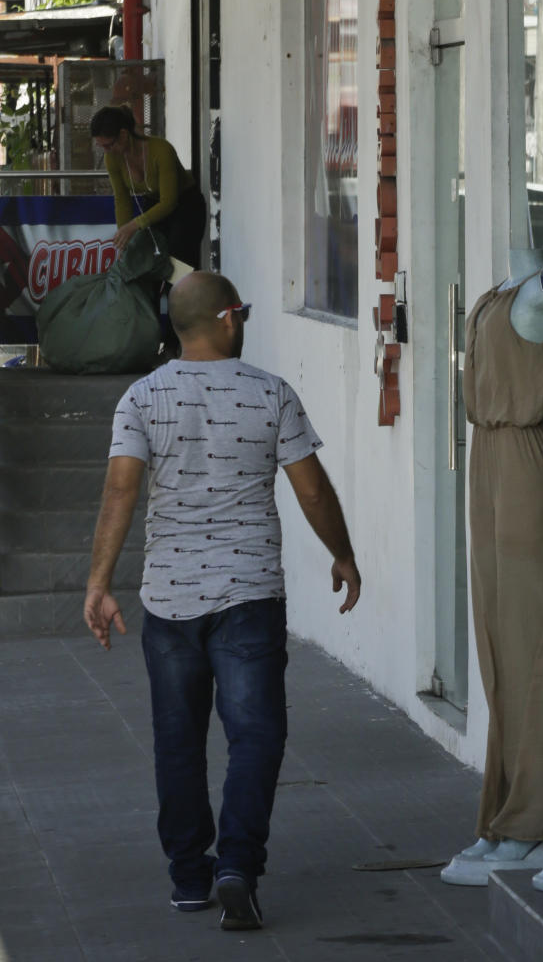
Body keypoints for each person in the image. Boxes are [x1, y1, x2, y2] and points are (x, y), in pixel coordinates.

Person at [83, 270, 361, 930]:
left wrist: (98, 582)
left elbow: (120, 491)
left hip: (169, 600)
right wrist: (343, 554)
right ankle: (237, 862)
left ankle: (189, 876)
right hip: (248, 596)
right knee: (257, 733)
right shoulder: (272, 392)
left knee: (178, 741)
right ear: (229, 318)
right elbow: (313, 490)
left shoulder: (141, 397)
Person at [91, 105, 206, 268]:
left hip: (185, 204)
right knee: (149, 259)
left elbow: (169, 202)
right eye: (101, 146)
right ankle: (161, 292)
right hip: (154, 204)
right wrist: (124, 240)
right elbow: (122, 200)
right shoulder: (112, 159)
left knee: (179, 263)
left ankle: (183, 292)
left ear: (123, 135)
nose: (106, 152)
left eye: (108, 145)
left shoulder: (161, 150)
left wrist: (133, 226)